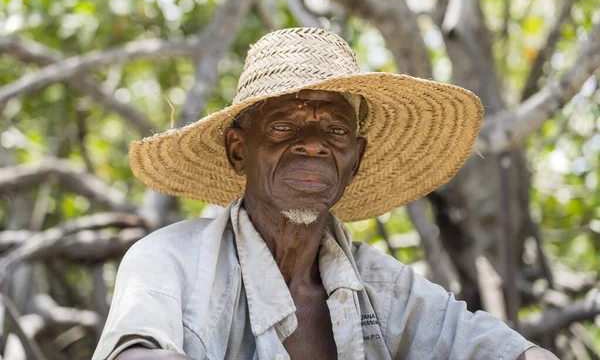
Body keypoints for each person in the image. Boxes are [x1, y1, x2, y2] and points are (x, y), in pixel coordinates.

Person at [93, 28, 558, 360]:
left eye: (335, 129)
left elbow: (496, 348)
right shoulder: (169, 260)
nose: (313, 142)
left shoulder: (382, 287)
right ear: (239, 150)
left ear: (354, 160)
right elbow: (135, 349)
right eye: (283, 125)